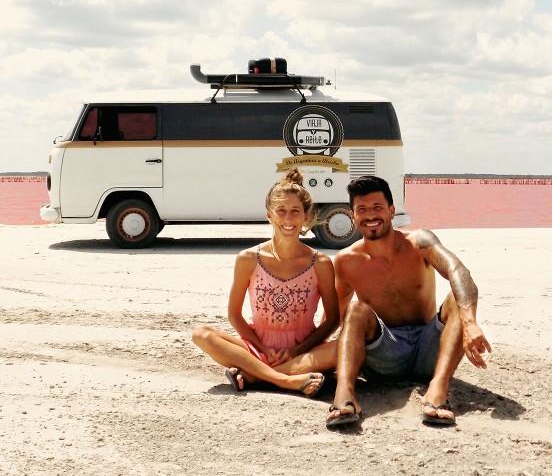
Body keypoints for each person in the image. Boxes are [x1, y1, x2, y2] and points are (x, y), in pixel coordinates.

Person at [326, 175, 492, 429]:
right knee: (356, 309)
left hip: (430, 350)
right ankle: (345, 397)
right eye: (362, 209)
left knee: (454, 300)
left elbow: (458, 271)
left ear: (392, 211)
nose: (371, 215)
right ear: (352, 216)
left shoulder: (420, 242)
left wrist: (470, 323)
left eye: (378, 208)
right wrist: (297, 354)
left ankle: (438, 390)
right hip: (384, 355)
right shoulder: (346, 260)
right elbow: (337, 320)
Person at [192, 168, 339, 396]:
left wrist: (297, 350)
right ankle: (284, 379)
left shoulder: (320, 262)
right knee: (201, 334)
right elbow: (234, 315)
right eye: (281, 211)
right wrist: (262, 348)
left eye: (295, 211)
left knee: (344, 349)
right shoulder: (248, 259)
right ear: (269, 215)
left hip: (303, 350)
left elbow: (332, 320)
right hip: (256, 347)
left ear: (306, 216)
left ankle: (253, 375)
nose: (288, 219)